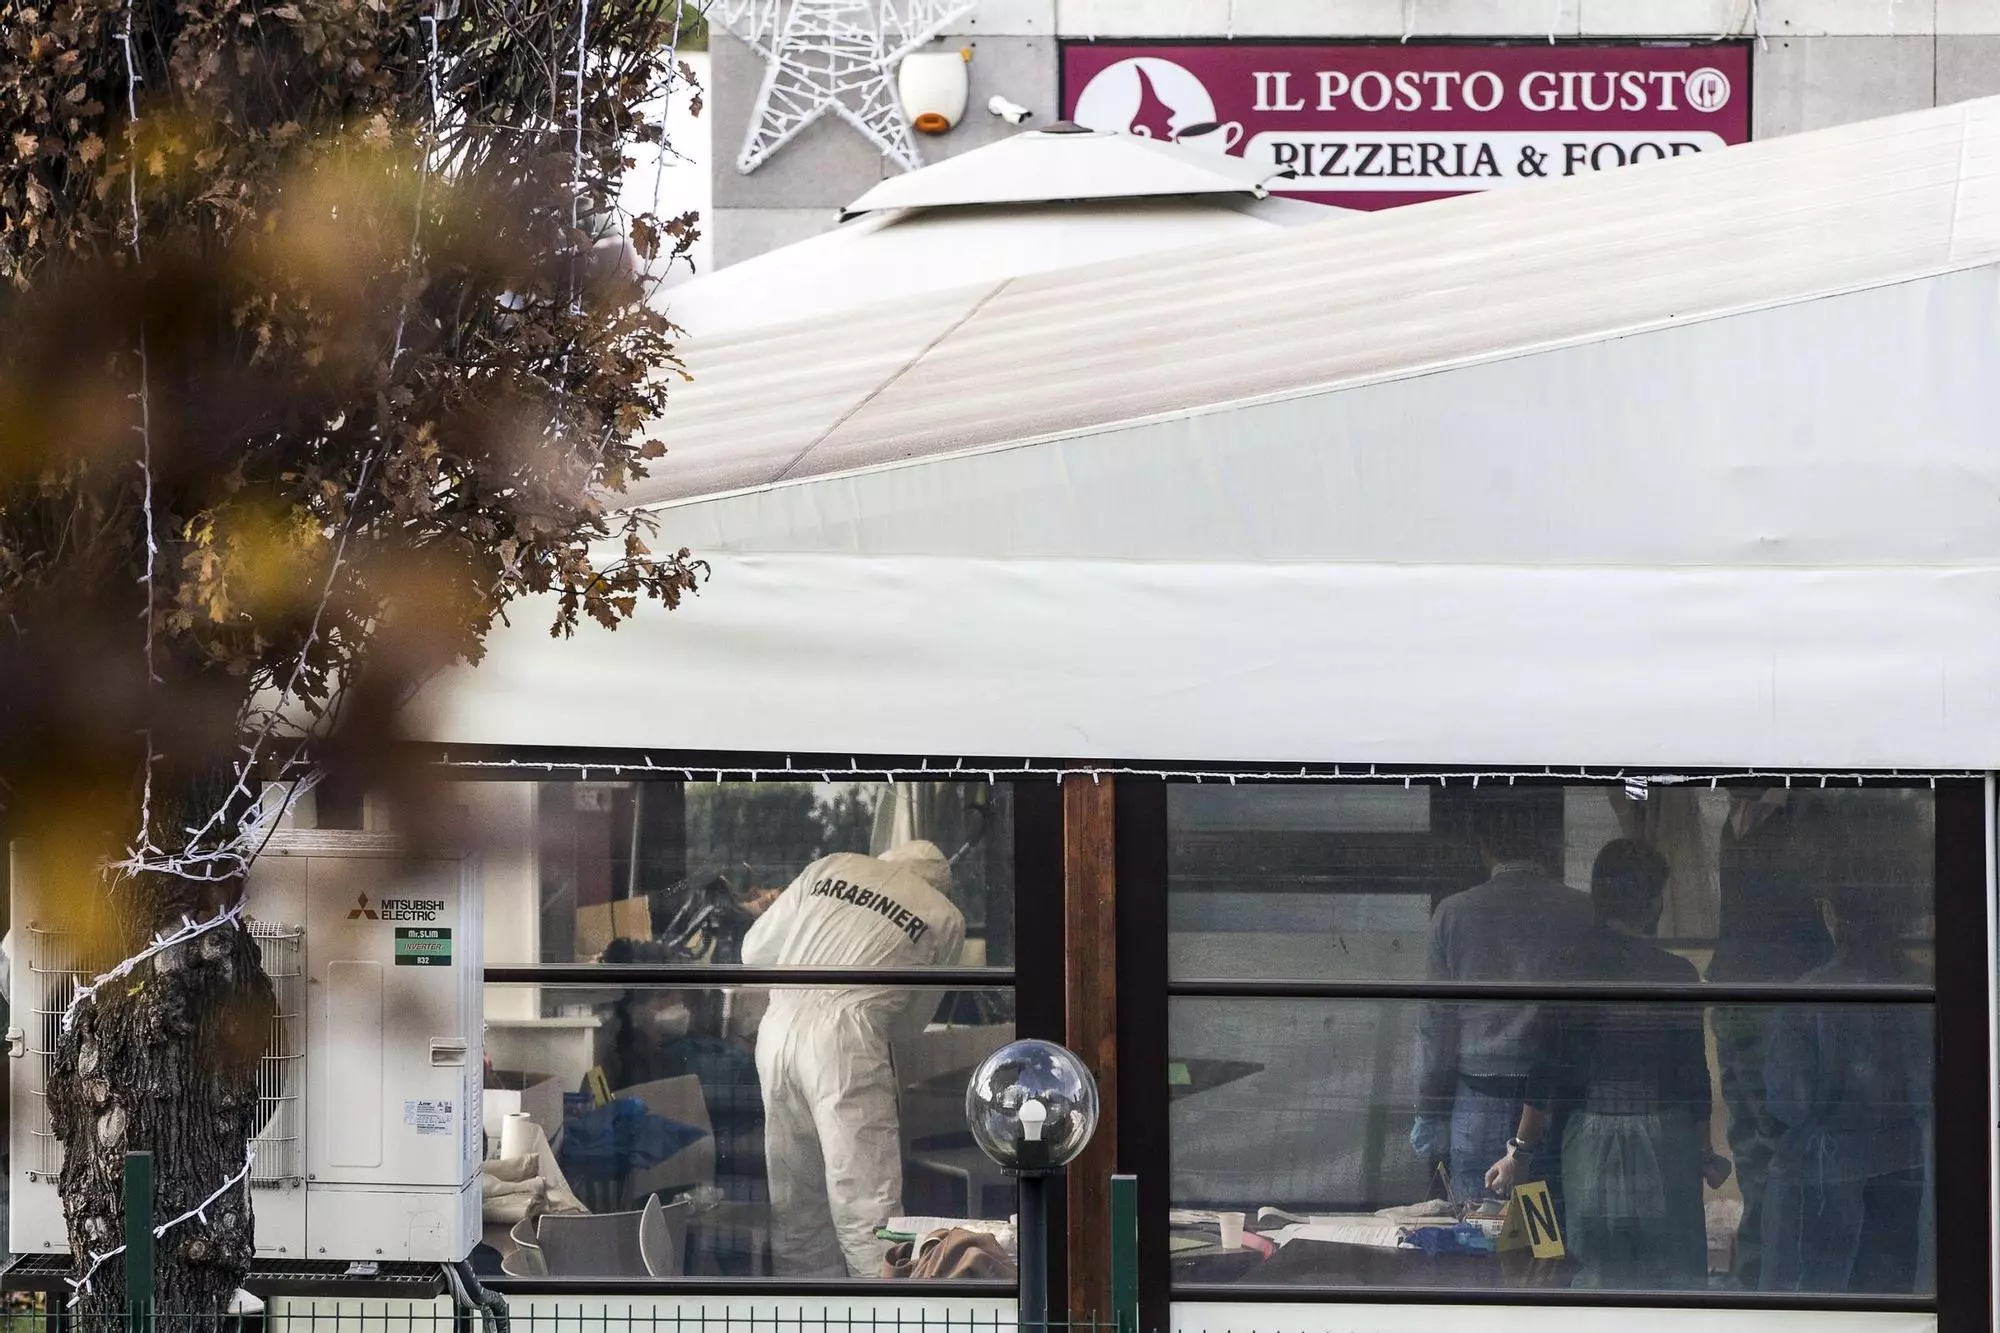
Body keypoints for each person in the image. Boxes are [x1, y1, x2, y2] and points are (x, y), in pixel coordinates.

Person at [1484, 840, 1731, 1288]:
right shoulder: (1675, 974)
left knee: (1596, 1278)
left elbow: (1545, 1071)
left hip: (1589, 1142)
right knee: (1672, 1281)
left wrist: (1519, 1153)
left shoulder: (1567, 968)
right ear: (1653, 902)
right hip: (1667, 1142)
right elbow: (1693, 1076)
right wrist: (1705, 1153)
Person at [741, 840, 966, 1277]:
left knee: (797, 1200)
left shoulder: (832, 867)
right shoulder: (944, 915)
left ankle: (805, 1309)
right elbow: (909, 1025)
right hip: (848, 1040)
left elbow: (754, 952)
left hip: (779, 1025)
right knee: (866, 1203)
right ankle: (881, 1308)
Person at [1413, 792, 1596, 1207]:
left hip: (1478, 1096)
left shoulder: (1453, 913)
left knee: (1479, 1226)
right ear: (1546, 845)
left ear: (1483, 846)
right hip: (1553, 1100)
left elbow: (1435, 1023)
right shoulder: (1581, 911)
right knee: (1548, 1228)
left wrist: (1429, 1105)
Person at [1760, 872, 1931, 1294]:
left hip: (1826, 1177)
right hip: (1908, 1166)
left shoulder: (1807, 996)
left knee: (1822, 1303)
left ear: (1832, 915)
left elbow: (1788, 1102)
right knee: (1893, 1301)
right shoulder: (1927, 986)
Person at [1706, 790, 1832, 1288]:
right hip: (1756, 1002)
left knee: (1769, 1148)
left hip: (1762, 1004)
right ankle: (1769, 1274)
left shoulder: (1782, 819)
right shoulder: (1759, 820)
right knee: (1765, 1150)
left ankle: (1768, 1273)